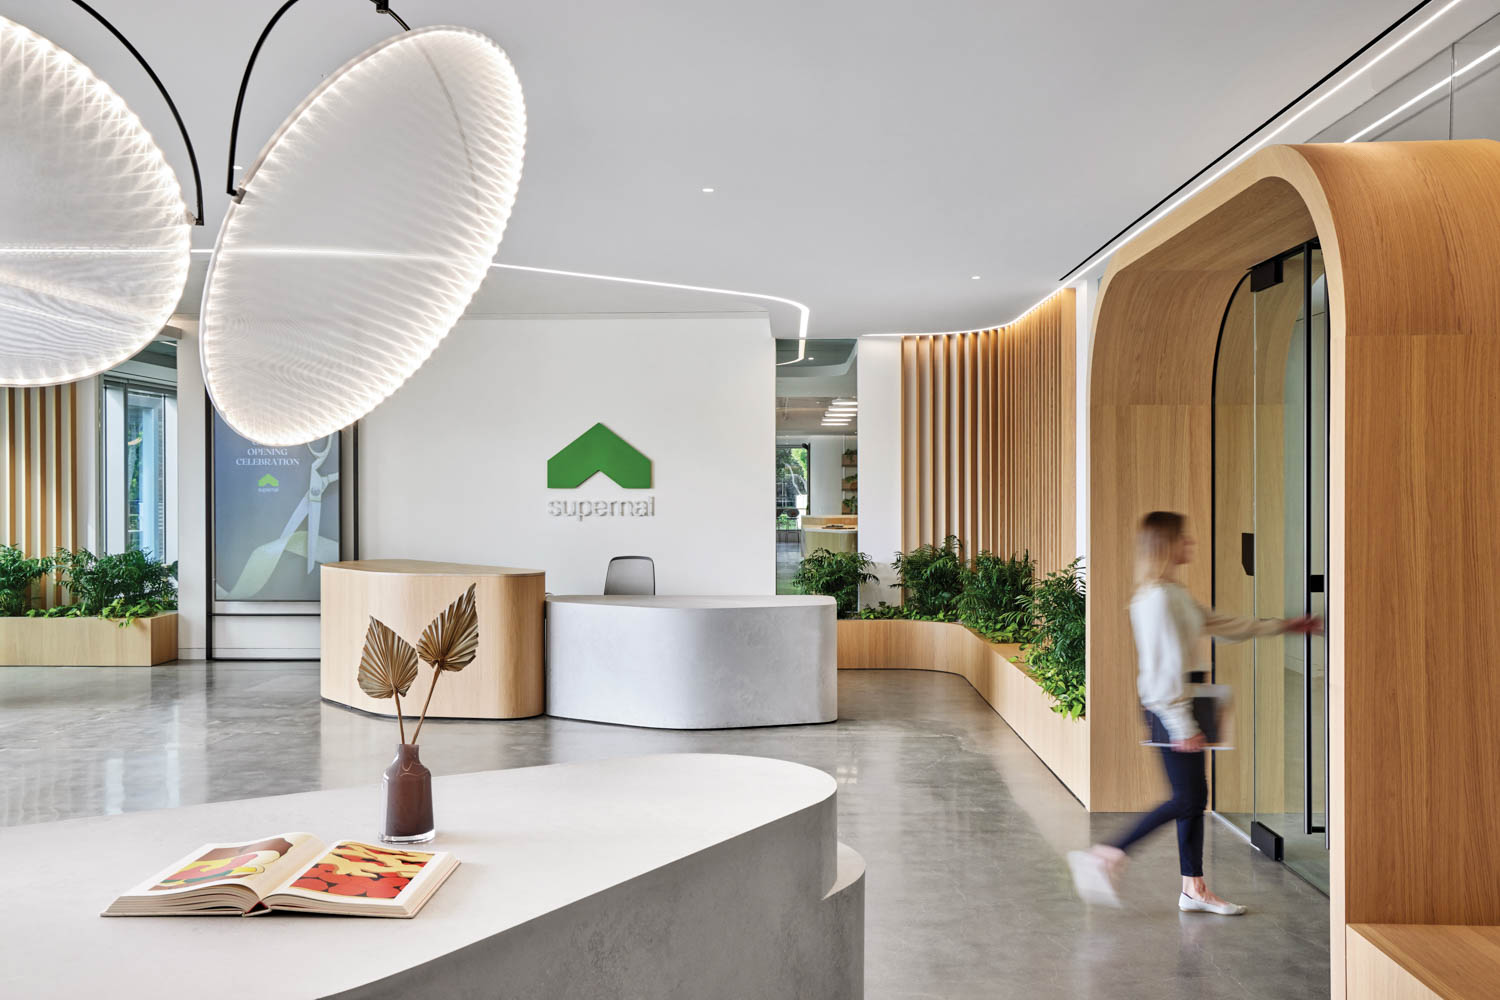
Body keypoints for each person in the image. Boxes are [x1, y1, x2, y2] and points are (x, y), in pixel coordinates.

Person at [1068, 511, 1321, 915]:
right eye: (1184, 538)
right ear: (1166, 544)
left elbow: (1223, 624)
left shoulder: (1173, 594)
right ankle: (1105, 854)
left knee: (1194, 796)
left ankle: (1193, 888)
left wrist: (1284, 626)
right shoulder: (1155, 600)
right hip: (1170, 707)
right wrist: (1181, 724)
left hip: (1181, 703)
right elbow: (1161, 671)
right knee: (1187, 797)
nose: (1191, 543)